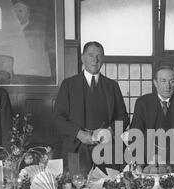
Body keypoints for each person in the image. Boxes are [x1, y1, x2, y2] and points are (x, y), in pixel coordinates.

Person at [54, 42, 129, 175]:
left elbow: (123, 117)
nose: (95, 60)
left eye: (99, 56)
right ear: (82, 58)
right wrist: (79, 134)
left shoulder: (112, 86)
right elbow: (58, 119)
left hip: (108, 149)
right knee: (76, 188)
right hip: (75, 147)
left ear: (103, 59)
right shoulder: (68, 85)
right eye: (91, 55)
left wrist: (110, 131)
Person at [130, 65, 174, 170]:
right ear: (155, 83)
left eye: (172, 81)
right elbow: (135, 134)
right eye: (163, 81)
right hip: (149, 162)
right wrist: (139, 163)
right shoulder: (143, 103)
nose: (168, 86)